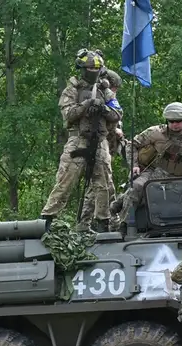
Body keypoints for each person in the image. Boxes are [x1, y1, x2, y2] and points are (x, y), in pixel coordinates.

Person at [40, 49, 121, 230]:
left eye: (97, 69)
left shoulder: (105, 91)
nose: (94, 72)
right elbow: (69, 115)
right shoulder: (72, 90)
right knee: (66, 180)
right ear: (83, 69)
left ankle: (103, 221)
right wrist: (86, 105)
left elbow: (117, 114)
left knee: (104, 184)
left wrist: (103, 109)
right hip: (78, 140)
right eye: (90, 68)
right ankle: (47, 219)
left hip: (100, 141)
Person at [109, 102, 182, 230]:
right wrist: (134, 165)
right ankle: (125, 225)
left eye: (178, 121)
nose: (175, 124)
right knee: (136, 187)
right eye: (171, 121)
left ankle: (118, 203)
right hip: (153, 172)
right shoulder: (155, 132)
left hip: (180, 177)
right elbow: (131, 145)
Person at [79, 68, 126, 232]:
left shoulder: (110, 102)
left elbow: (116, 117)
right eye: (114, 88)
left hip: (108, 150)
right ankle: (106, 221)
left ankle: (88, 222)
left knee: (100, 187)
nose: (115, 92)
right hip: (98, 148)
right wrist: (115, 130)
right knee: (103, 186)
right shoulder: (96, 101)